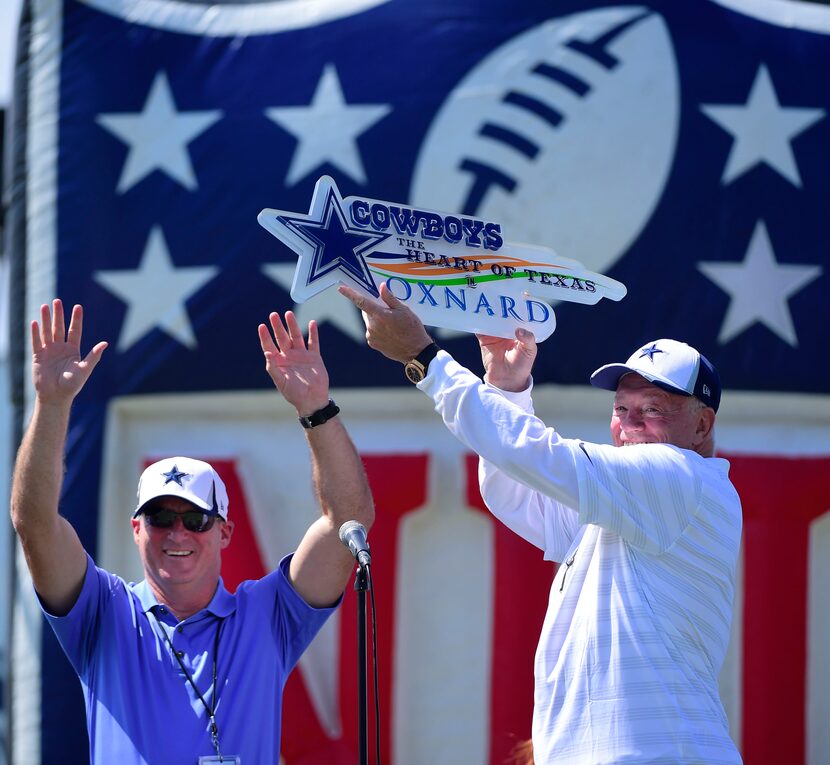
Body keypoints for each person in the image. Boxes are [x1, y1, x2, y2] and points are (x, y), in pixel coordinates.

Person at [340, 283, 743, 765]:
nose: (628, 424)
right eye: (621, 409)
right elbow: (513, 490)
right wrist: (507, 391)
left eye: (653, 409)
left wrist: (425, 359)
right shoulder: (636, 501)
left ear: (702, 425)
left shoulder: (681, 477)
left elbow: (532, 453)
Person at [11, 298, 374, 764]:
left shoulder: (266, 614)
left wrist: (316, 408)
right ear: (136, 529)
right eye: (160, 517)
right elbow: (34, 521)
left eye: (196, 519)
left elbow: (349, 520)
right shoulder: (103, 611)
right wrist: (52, 404)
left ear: (224, 532)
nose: (177, 533)